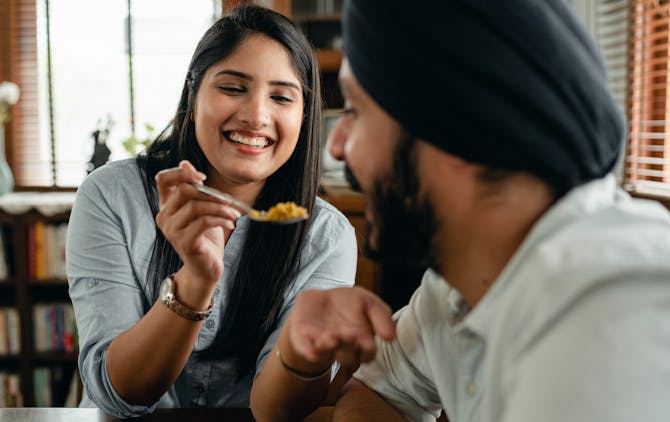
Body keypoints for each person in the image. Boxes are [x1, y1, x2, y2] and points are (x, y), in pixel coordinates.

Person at [251, 1, 670, 421]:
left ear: (452, 126)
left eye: (356, 113)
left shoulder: (614, 317)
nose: (338, 147)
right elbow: (378, 393)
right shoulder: (455, 286)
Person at [66, 5, 357, 417]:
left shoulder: (327, 236)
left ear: (304, 115)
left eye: (281, 97)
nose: (257, 116)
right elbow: (121, 393)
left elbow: (276, 413)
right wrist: (196, 280)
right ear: (193, 93)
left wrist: (307, 350)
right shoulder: (112, 197)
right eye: (234, 88)